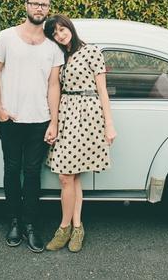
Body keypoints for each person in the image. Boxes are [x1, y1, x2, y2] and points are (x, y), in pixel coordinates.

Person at [0, 0, 64, 253]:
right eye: (35, 3)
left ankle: (31, 225)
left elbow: (54, 86)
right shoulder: (6, 37)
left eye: (44, 5)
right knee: (11, 169)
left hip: (40, 120)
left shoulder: (53, 47)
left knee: (32, 174)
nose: (39, 8)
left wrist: (54, 122)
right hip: (10, 118)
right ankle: (14, 222)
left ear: (48, 9)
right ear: (26, 5)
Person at [42, 15, 117, 253]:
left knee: (69, 175)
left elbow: (102, 90)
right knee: (69, 176)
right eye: (55, 33)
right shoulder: (61, 57)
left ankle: (66, 227)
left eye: (62, 30)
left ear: (70, 28)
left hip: (87, 114)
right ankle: (75, 226)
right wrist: (54, 121)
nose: (60, 35)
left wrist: (109, 123)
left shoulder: (92, 52)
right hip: (66, 114)